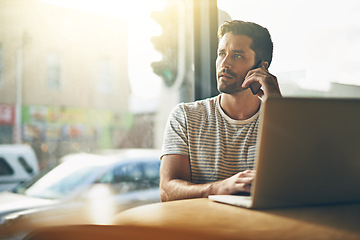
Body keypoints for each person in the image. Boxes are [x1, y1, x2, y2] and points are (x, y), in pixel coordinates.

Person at [160, 20, 282, 202]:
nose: (224, 63)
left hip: (262, 227)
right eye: (221, 53)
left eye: (237, 56)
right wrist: (219, 188)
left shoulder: (280, 120)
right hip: (201, 227)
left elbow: (302, 182)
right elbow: (167, 191)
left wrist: (277, 105)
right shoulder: (185, 116)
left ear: (262, 67)